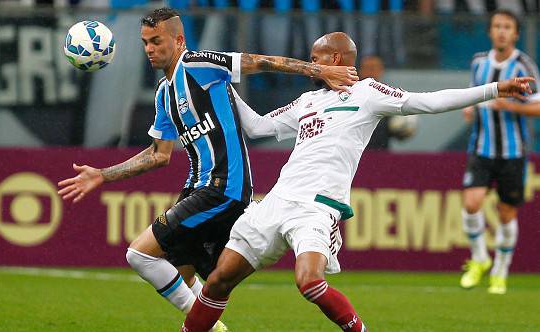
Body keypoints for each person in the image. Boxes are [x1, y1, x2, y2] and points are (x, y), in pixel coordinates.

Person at [181, 31, 533, 332]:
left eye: (315, 59)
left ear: (335, 58)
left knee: (309, 281)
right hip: (275, 202)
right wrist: (222, 84)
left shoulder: (367, 93)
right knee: (218, 280)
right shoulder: (308, 100)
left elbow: (428, 102)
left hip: (317, 207)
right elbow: (258, 127)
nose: (311, 66)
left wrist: (495, 89)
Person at [56, 6, 359, 328]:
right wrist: (103, 174)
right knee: (186, 272)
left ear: (179, 40)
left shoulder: (198, 64)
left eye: (157, 41)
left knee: (139, 254)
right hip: (197, 188)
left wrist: (318, 72)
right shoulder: (164, 93)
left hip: (222, 188)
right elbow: (158, 155)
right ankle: (208, 321)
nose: (150, 49)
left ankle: (212, 327)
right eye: (145, 42)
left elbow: (260, 61)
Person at [459, 9, 540, 295]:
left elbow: (538, 106)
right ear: (491, 31)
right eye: (497, 26)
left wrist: (512, 106)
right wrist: (469, 107)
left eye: (507, 27)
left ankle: (500, 271)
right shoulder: (478, 63)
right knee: (471, 203)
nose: (502, 31)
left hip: (513, 152)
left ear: (516, 33)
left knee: (506, 214)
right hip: (481, 148)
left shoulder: (524, 66)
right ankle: (480, 258)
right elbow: (475, 92)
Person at [359, 55, 417, 150]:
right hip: (356, 153)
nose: (370, 71)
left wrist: (403, 129)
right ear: (360, 71)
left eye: (374, 68)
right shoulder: (350, 94)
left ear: (381, 70)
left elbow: (398, 133)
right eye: (367, 68)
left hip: (381, 154)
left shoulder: (390, 96)